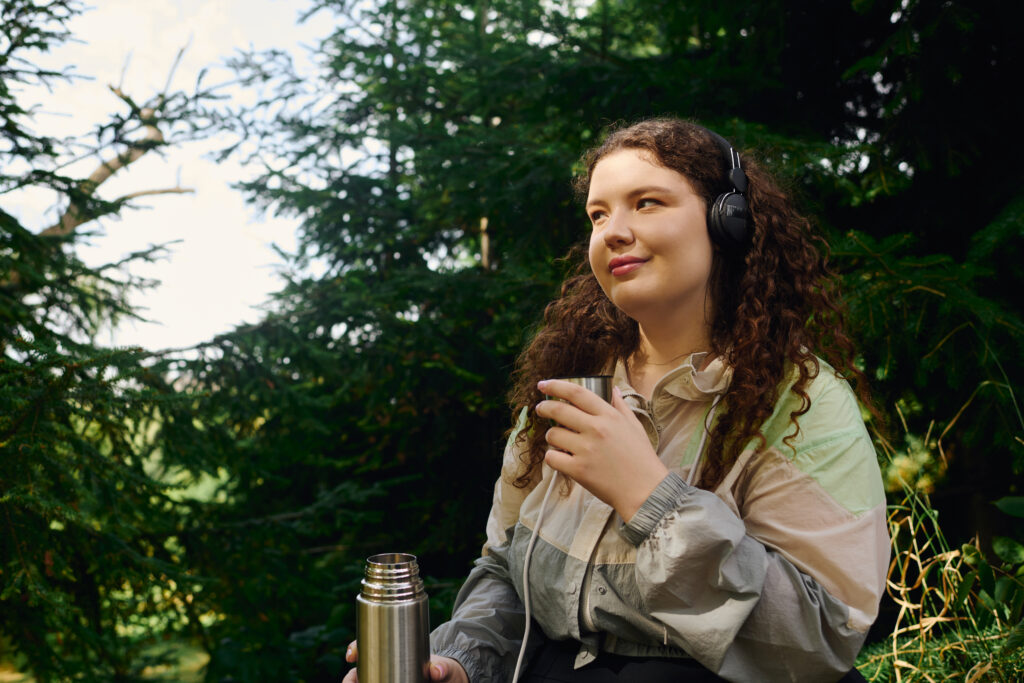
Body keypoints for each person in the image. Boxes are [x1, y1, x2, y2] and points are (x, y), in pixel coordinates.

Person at [343, 117, 889, 682]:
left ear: (727, 220)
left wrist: (650, 500)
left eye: (647, 203)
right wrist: (459, 661)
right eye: (598, 215)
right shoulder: (568, 387)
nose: (613, 232)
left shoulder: (797, 399)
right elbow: (505, 571)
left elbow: (821, 637)